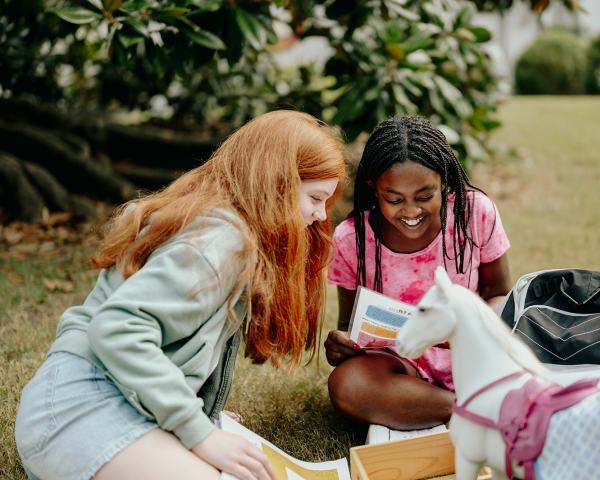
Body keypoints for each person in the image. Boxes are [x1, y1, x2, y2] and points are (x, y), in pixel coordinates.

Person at [14, 110, 346, 480]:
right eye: (315, 198)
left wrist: (197, 416)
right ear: (277, 184)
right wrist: (198, 432)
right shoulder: (222, 240)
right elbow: (118, 327)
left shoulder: (219, 224)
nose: (319, 215)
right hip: (82, 410)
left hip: (92, 404)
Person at [323, 116, 511, 430]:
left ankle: (450, 407)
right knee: (347, 385)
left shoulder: (475, 214)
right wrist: (340, 344)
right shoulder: (351, 239)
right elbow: (349, 326)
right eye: (394, 199)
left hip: (472, 359)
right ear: (374, 188)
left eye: (425, 197)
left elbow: (500, 294)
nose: (410, 212)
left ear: (444, 182)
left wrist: (468, 330)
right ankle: (474, 411)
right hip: (400, 367)